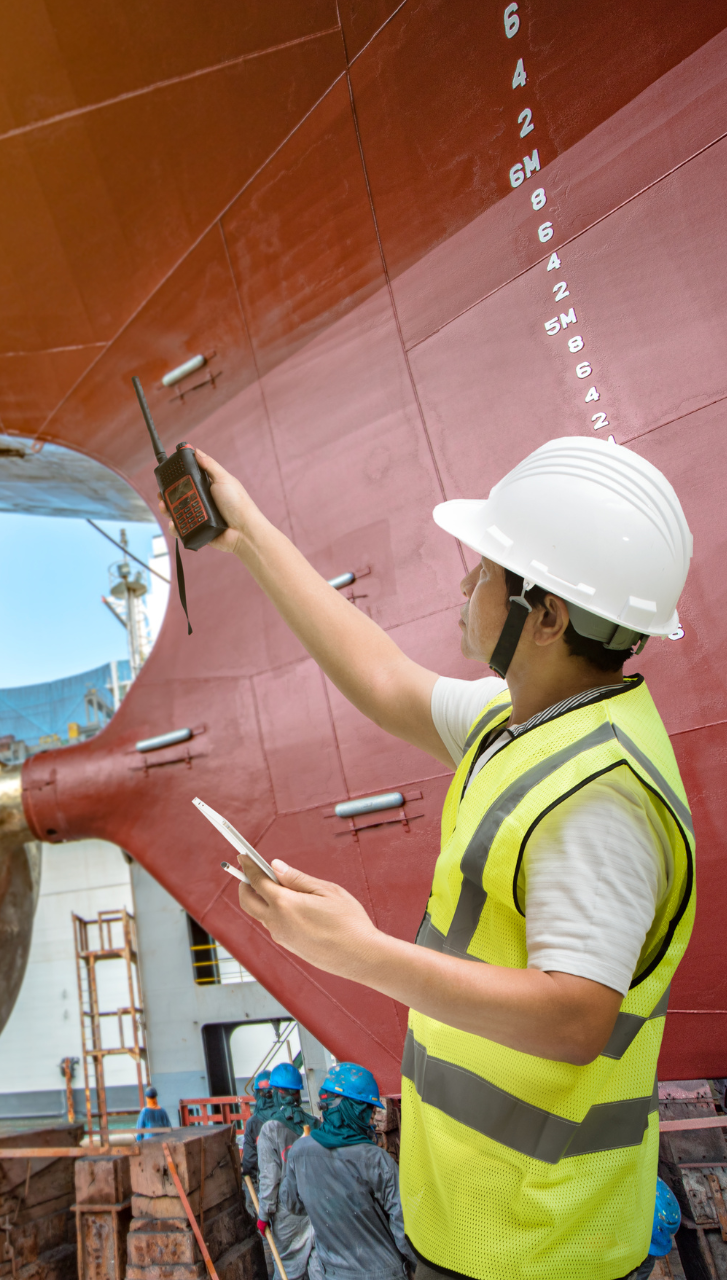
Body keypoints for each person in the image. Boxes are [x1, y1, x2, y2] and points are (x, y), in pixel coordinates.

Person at [187, 436, 695, 1280]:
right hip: (472, 1223)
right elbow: (382, 678)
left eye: (488, 569)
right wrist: (246, 533)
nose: (466, 584)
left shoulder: (600, 793)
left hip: (540, 1249)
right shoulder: (524, 719)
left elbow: (577, 1019)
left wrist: (359, 954)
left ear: (549, 616)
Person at [284, 1063, 414, 1280]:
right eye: (367, 1111)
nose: (370, 1119)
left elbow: (293, 1205)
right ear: (351, 1109)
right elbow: (403, 1230)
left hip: (333, 1273)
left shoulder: (299, 1152)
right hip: (383, 1272)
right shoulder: (375, 1160)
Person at [256, 1062, 316, 1278]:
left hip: (287, 1213)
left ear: (275, 1092)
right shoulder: (315, 1125)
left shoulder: (270, 1130)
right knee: (317, 1269)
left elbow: (269, 1179)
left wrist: (264, 1214)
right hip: (317, 1208)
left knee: (287, 1272)